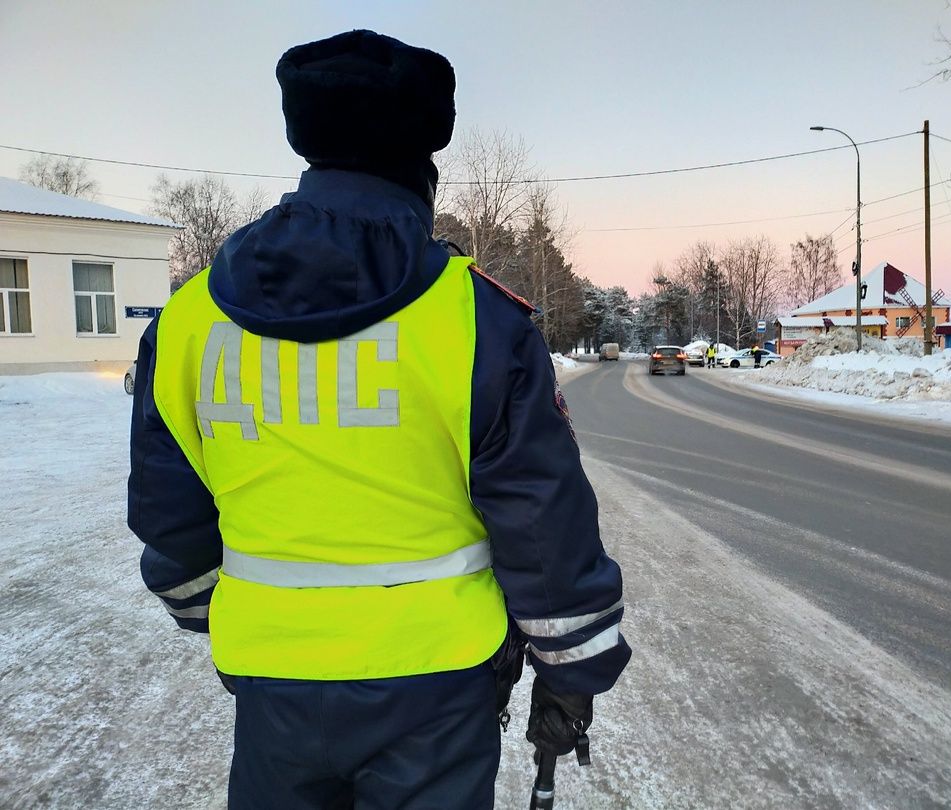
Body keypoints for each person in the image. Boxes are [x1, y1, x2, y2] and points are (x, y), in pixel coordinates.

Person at [128, 29, 630, 810]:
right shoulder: (477, 320)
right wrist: (573, 673)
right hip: (439, 688)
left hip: (270, 679)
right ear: (423, 166)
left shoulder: (188, 322)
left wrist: (232, 624)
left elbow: (169, 514)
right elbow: (541, 520)